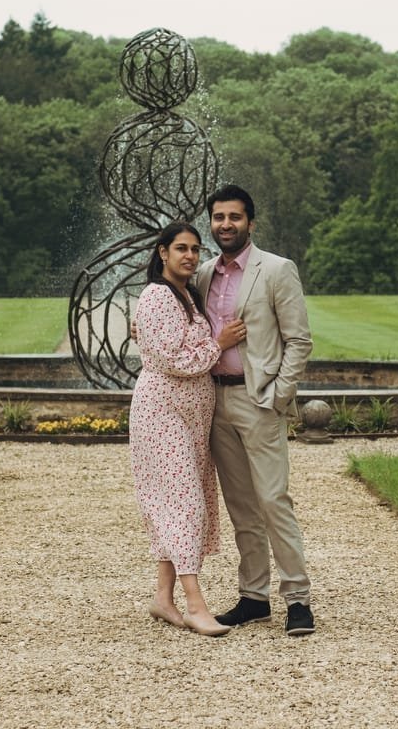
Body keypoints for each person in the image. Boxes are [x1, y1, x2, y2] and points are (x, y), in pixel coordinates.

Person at [195, 184, 315, 636]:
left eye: (234, 217)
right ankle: (254, 597)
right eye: (219, 217)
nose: (226, 225)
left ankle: (298, 598)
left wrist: (278, 396)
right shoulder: (204, 273)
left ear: (251, 222)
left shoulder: (277, 270)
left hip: (258, 399)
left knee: (273, 500)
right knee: (241, 506)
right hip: (216, 400)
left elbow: (299, 340)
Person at [130, 220, 246, 637]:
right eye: (181, 248)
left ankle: (163, 599)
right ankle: (196, 604)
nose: (190, 256)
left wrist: (208, 345)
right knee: (186, 504)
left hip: (192, 417)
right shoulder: (157, 296)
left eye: (195, 249)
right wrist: (220, 344)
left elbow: (181, 348)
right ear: (162, 252)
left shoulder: (187, 296)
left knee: (177, 503)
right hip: (163, 413)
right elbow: (176, 361)